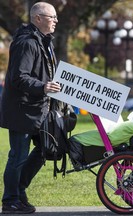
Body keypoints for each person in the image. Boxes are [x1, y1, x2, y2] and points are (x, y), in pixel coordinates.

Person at [0, 2, 61, 214]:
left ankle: (19, 190)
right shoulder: (27, 43)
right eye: (51, 17)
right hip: (22, 110)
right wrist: (43, 87)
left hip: (39, 108)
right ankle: (10, 200)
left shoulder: (44, 42)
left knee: (46, 149)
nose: (55, 21)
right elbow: (19, 77)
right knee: (18, 155)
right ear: (38, 18)